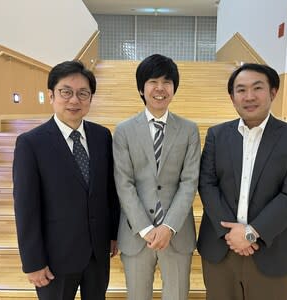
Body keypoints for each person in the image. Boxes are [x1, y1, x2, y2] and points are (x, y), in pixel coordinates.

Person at [197, 63, 287, 300]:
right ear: (232, 97)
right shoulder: (217, 135)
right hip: (222, 247)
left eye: (257, 88)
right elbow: (207, 185)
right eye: (241, 90)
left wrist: (250, 233)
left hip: (273, 248)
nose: (249, 96)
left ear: (273, 92)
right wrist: (232, 234)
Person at [13, 60, 120, 300]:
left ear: (91, 98)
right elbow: (25, 207)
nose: (74, 100)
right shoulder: (31, 143)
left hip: (97, 254)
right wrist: (33, 262)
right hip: (54, 260)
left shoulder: (102, 136)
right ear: (51, 95)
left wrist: (113, 234)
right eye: (66, 92)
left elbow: (109, 191)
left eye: (83, 93)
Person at [112, 54, 201, 300]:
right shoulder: (124, 131)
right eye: (153, 81)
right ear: (142, 88)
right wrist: (145, 228)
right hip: (136, 233)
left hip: (177, 232)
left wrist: (168, 227)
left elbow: (189, 182)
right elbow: (124, 183)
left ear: (174, 88)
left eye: (167, 81)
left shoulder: (189, 130)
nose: (160, 88)